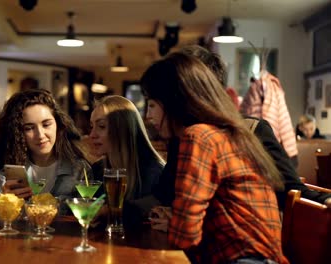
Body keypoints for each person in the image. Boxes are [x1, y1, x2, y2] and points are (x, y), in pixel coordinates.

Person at [142, 52, 288, 264]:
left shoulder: (199, 137)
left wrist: (177, 222)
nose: (148, 115)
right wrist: (177, 219)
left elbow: (185, 236)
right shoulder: (227, 133)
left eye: (152, 104)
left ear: (174, 101)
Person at [179, 45, 331, 209]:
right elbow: (166, 194)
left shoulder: (253, 130)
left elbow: (288, 188)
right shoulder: (181, 135)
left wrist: (324, 200)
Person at [0, 89, 91, 213]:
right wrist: (2, 198)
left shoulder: (78, 169)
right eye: (29, 128)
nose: (40, 135)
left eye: (46, 124)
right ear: (17, 133)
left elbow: (88, 211)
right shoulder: (9, 164)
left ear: (58, 125)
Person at [89, 95, 165, 226]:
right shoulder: (97, 169)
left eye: (101, 126)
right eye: (92, 127)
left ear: (123, 130)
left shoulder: (154, 172)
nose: (92, 135)